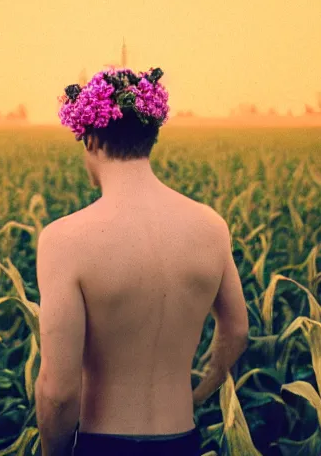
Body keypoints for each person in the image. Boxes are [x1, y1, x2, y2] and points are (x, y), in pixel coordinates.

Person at [34, 67, 249, 456]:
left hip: (104, 443)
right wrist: (200, 393)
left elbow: (59, 392)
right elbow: (236, 330)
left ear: (91, 139)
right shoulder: (210, 227)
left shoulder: (64, 241)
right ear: (151, 136)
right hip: (183, 439)